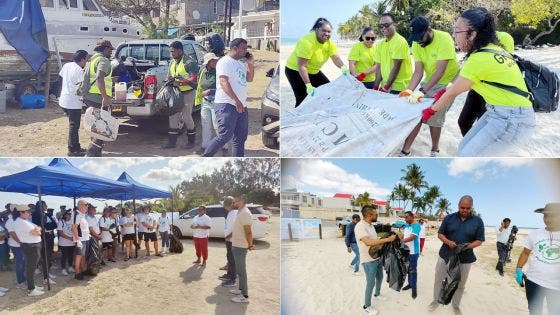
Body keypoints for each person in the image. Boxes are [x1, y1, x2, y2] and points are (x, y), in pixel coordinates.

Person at [422, 8, 535, 156]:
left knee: (467, 157)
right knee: (463, 147)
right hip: (501, 111)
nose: (454, 35)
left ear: (472, 34)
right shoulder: (494, 49)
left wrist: (429, 111)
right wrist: (443, 93)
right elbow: (459, 84)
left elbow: (453, 93)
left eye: (457, 31)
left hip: (512, 118)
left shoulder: (478, 59)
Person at [398, 16, 460, 157]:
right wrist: (409, 90)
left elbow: (440, 71)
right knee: (416, 113)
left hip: (449, 82)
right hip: (429, 80)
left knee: (434, 115)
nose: (418, 41)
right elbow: (418, 71)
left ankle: (435, 149)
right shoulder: (416, 43)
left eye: (421, 37)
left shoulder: (444, 38)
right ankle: (406, 149)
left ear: (429, 30)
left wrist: (422, 91)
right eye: (416, 38)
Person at [429, 195, 485, 314]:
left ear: (471, 207)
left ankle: (455, 305)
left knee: (460, 284)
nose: (464, 210)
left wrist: (466, 246)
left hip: (465, 259)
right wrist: (448, 242)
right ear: (458, 206)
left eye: (467, 208)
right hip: (445, 255)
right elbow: (440, 234)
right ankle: (435, 300)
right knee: (438, 279)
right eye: (462, 207)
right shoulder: (449, 218)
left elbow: (479, 240)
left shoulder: (478, 221)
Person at [202, 38, 255, 157]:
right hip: (226, 104)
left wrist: (250, 64)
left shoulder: (241, 64)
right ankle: (205, 156)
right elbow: (223, 82)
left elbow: (250, 78)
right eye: (243, 49)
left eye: (246, 49)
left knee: (240, 138)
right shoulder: (225, 62)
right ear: (235, 48)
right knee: (225, 135)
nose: (246, 51)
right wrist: (236, 100)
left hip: (241, 106)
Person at [458, 30, 515, 136]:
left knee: (483, 126)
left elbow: (507, 62)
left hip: (493, 91)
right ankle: (471, 147)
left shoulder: (505, 37)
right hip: (476, 88)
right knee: (463, 122)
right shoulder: (476, 37)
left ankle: (478, 149)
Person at [284, 17, 347, 106]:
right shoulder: (307, 42)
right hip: (295, 71)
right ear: (317, 30)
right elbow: (302, 66)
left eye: (329, 32)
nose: (326, 34)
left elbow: (336, 58)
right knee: (302, 99)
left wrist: (343, 68)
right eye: (323, 31)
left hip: (313, 71)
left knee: (329, 91)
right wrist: (308, 85)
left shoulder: (329, 43)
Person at [515, 203, 560, 315]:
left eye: (553, 215)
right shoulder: (535, 234)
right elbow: (525, 253)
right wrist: (518, 270)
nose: (548, 219)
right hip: (533, 281)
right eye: (545, 215)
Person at [354, 205, 396, 315]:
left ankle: (377, 294)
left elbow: (374, 240)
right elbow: (368, 242)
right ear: (369, 215)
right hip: (368, 260)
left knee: (380, 277)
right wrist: (387, 240)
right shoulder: (360, 226)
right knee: (370, 282)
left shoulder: (371, 226)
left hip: (376, 257)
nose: (377, 215)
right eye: (376, 214)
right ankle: (366, 306)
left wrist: (383, 239)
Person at [161, 41, 199, 149]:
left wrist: (182, 82)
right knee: (173, 116)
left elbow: (194, 79)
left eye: (173, 51)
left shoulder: (189, 62)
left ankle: (191, 142)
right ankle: (172, 143)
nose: (171, 53)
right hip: (175, 92)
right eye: (171, 51)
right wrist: (167, 82)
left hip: (187, 93)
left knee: (186, 116)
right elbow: (169, 76)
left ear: (180, 51)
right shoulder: (172, 62)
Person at [83, 40, 115, 157]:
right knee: (102, 130)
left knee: (96, 127)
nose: (111, 52)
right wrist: (105, 97)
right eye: (110, 49)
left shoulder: (92, 60)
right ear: (105, 49)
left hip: (89, 97)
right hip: (99, 99)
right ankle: (91, 153)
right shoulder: (103, 60)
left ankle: (96, 155)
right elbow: (100, 78)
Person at [196, 52, 229, 155]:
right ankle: (205, 145)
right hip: (205, 101)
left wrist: (211, 91)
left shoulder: (219, 71)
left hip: (217, 101)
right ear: (207, 62)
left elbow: (223, 87)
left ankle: (224, 146)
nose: (214, 62)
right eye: (212, 60)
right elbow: (199, 84)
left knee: (217, 125)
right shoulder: (202, 71)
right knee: (205, 124)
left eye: (215, 60)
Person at [372, 13, 413, 94]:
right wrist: (375, 87)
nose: (384, 28)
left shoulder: (399, 41)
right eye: (381, 26)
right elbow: (379, 68)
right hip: (385, 86)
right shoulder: (380, 44)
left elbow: (396, 67)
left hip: (399, 87)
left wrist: (386, 87)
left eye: (386, 25)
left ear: (394, 24)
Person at [58, 49, 88, 156]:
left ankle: (76, 147)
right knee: (74, 126)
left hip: (63, 100)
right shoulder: (79, 70)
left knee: (73, 125)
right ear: (82, 60)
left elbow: (62, 77)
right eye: (86, 60)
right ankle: (72, 150)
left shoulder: (67, 65)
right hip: (72, 102)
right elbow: (82, 88)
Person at [13, 205, 44, 296]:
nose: (30, 213)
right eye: (27, 212)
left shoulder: (24, 221)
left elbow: (38, 227)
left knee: (31, 267)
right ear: (21, 213)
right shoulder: (21, 222)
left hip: (32, 245)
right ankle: (31, 289)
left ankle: (32, 285)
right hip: (31, 246)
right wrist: (37, 229)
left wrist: (37, 229)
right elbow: (38, 232)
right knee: (31, 268)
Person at [229, 195, 256, 303]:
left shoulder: (245, 213)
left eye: (236, 201)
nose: (234, 203)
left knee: (241, 271)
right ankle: (240, 290)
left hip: (241, 246)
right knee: (239, 271)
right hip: (236, 245)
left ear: (242, 201)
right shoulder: (241, 211)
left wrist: (250, 245)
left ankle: (244, 296)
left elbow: (248, 231)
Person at [31, 201, 56, 284]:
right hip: (42, 238)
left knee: (48, 256)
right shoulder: (35, 215)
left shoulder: (46, 214)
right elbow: (39, 225)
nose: (46, 206)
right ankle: (46, 277)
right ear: (41, 206)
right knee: (45, 256)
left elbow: (54, 225)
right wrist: (47, 226)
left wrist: (47, 225)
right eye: (45, 205)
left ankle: (47, 273)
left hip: (49, 237)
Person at [400, 211, 421, 299]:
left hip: (413, 252)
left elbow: (412, 237)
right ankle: (410, 284)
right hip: (406, 251)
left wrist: (402, 241)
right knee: (408, 269)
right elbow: (404, 235)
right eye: (404, 217)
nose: (405, 219)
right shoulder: (407, 225)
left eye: (407, 217)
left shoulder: (416, 225)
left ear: (412, 217)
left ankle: (414, 289)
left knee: (413, 271)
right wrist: (397, 238)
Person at [5, 205, 26, 289]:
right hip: (16, 245)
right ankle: (20, 282)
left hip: (21, 244)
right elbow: (12, 234)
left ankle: (22, 279)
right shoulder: (10, 221)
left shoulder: (17, 219)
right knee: (19, 263)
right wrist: (20, 242)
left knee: (23, 262)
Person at [220, 196, 238, 287]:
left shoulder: (235, 213)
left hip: (232, 240)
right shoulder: (230, 212)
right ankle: (229, 275)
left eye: (225, 205)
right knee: (229, 258)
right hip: (229, 239)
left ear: (230, 205)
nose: (224, 207)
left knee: (232, 259)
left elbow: (237, 229)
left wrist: (228, 236)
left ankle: (232, 279)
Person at [72, 200, 90, 280]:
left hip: (85, 238)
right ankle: (77, 272)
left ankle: (82, 269)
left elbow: (83, 227)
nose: (87, 207)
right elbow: (74, 227)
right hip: (80, 239)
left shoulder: (82, 215)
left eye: (87, 205)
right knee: (79, 256)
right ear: (80, 205)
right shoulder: (77, 214)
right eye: (85, 205)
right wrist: (77, 240)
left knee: (83, 255)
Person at [57, 210, 76, 276]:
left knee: (71, 255)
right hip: (64, 243)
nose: (70, 215)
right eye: (69, 214)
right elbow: (60, 233)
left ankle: (70, 267)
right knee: (64, 256)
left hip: (72, 243)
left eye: (70, 214)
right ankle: (63, 269)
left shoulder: (72, 222)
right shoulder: (61, 222)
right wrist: (70, 238)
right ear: (65, 215)